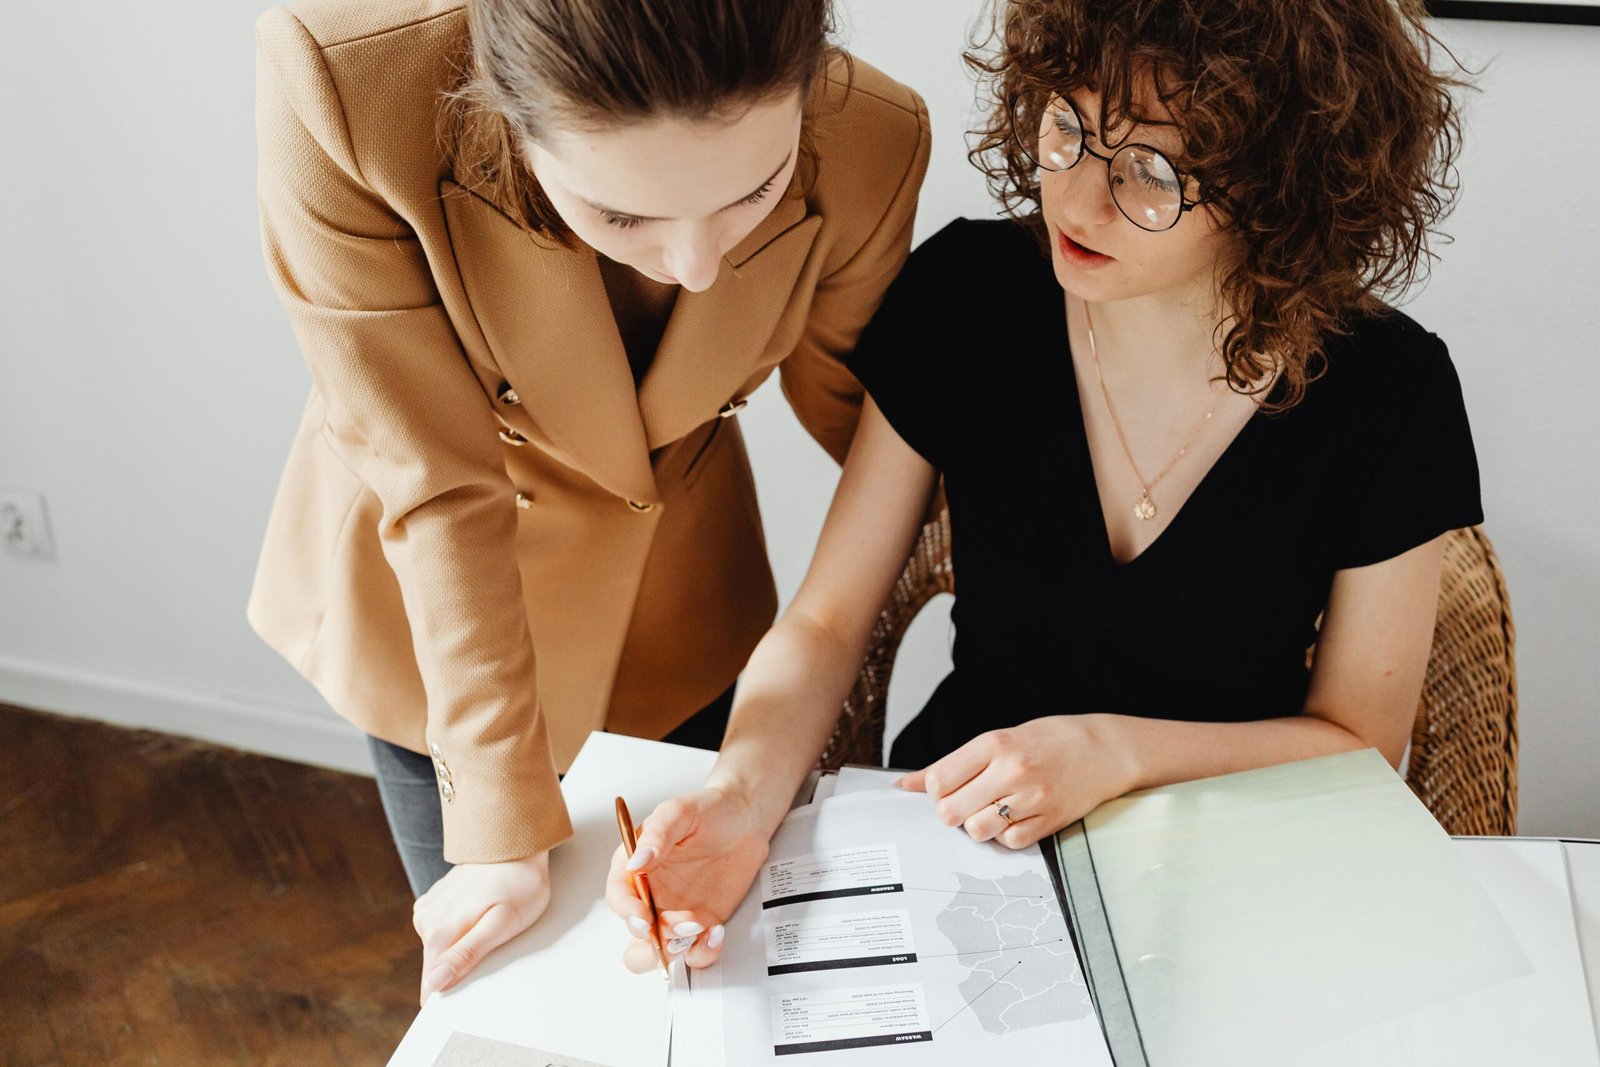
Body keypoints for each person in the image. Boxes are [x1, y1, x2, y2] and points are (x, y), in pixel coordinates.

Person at [607, 0, 1478, 971]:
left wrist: (1114, 751)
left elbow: (1357, 741)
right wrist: (737, 794)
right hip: (954, 838)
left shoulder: (1387, 391)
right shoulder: (965, 296)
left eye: (1151, 173)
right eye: (1066, 128)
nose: (1077, 200)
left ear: (1279, 185)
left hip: (1225, 869)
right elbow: (824, 623)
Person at [248, 0, 930, 1001]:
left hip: (680, 597)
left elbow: (868, 426)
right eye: (623, 215)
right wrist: (497, 825)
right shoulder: (347, 86)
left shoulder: (872, 139)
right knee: (511, 993)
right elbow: (432, 476)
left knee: (692, 979)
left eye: (755, 190)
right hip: (436, 615)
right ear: (505, 116)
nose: (697, 264)